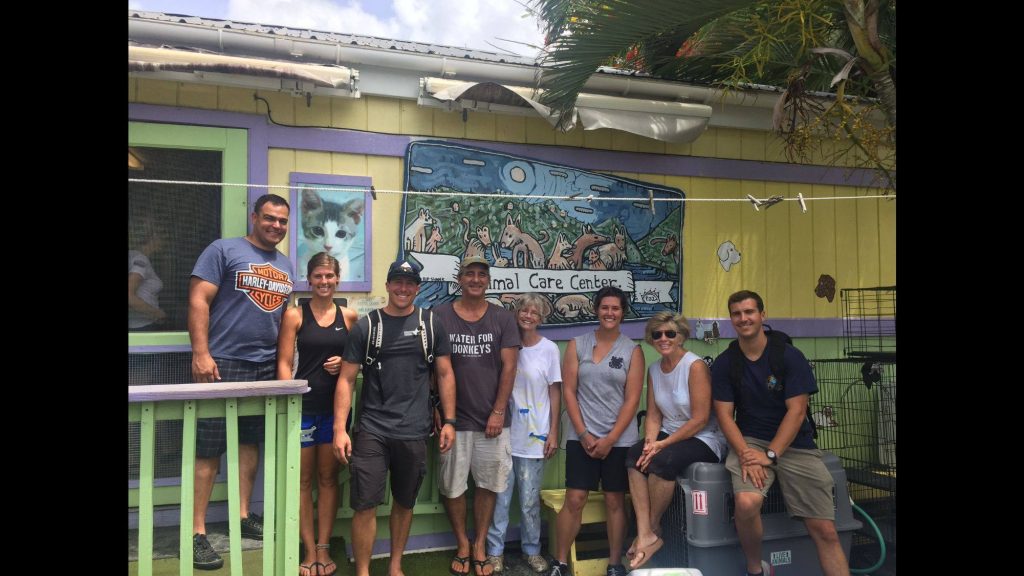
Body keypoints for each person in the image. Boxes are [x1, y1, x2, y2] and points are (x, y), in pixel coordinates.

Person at [188, 194, 294, 570]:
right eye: (269, 218)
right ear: (254, 217)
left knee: (250, 443)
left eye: (282, 221)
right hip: (223, 363)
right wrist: (201, 353)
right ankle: (197, 532)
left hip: (264, 366)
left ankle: (243, 514)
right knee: (209, 447)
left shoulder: (286, 264)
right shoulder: (223, 250)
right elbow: (199, 299)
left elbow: (284, 320)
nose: (275, 226)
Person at [711, 290, 850, 576]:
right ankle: (756, 569)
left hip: (795, 443)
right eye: (736, 314)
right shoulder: (726, 362)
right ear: (731, 319)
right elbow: (725, 416)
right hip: (749, 440)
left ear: (762, 315)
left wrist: (771, 454)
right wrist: (748, 455)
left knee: (824, 528)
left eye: (749, 312)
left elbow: (797, 412)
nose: (743, 318)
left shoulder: (789, 356)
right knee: (747, 503)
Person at [334, 259, 457, 576]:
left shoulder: (430, 325)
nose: (403, 288)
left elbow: (444, 374)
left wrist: (450, 421)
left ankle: (395, 566)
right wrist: (339, 430)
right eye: (397, 282)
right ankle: (363, 570)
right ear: (388, 285)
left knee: (405, 502)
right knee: (365, 505)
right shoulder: (367, 326)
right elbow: (346, 380)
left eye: (410, 283)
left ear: (417, 289)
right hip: (372, 429)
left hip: (414, 430)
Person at [433, 255, 521, 576]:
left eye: (481, 275)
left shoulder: (503, 318)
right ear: (459, 279)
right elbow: (433, 369)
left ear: (488, 281)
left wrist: (498, 411)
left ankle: (480, 543)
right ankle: (462, 543)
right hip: (453, 420)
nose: (475, 279)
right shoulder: (439, 316)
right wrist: (437, 410)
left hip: (492, 421)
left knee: (488, 484)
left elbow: (510, 367)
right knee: (452, 486)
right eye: (469, 274)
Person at [549, 286, 643, 576]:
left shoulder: (633, 350)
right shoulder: (578, 344)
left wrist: (611, 439)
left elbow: (632, 399)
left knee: (616, 501)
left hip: (619, 441)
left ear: (623, 313)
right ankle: (560, 562)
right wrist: (584, 433)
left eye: (615, 308)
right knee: (575, 499)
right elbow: (569, 392)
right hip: (582, 438)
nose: (610, 313)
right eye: (605, 307)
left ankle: (615, 564)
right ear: (596, 309)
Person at [623, 312, 727, 570]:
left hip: (704, 437)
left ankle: (653, 529)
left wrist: (661, 446)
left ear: (681, 336)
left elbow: (701, 419)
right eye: (657, 334)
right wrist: (649, 443)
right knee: (634, 456)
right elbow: (655, 415)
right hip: (668, 434)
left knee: (662, 461)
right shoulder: (654, 369)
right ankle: (645, 531)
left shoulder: (695, 366)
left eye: (670, 333)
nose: (663, 338)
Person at [276, 252, 358, 576]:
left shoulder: (349, 316)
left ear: (338, 279)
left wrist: (343, 362)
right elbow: (283, 362)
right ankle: (308, 549)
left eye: (330, 276)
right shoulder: (295, 315)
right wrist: (289, 400)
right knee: (303, 480)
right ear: (309, 280)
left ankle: (324, 546)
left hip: (334, 412)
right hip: (304, 410)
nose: (324, 282)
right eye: (318, 276)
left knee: (328, 479)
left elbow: (358, 361)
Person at [485, 293, 561, 574]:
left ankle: (532, 551)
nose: (528, 316)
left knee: (529, 501)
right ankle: (495, 552)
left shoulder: (549, 350)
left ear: (541, 318)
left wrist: (554, 431)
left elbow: (555, 392)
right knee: (500, 498)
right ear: (515, 314)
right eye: (524, 311)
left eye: (535, 313)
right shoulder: (506, 345)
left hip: (535, 437)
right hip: (503, 435)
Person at [129, 217, 168, 329]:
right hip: (143, 326)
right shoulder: (141, 260)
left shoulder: (132, 255)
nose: (164, 242)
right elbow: (129, 295)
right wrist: (158, 314)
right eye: (162, 237)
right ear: (153, 238)